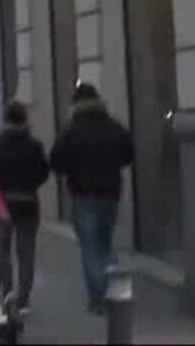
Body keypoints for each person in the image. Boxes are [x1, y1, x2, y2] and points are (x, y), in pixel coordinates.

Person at [48, 83, 135, 314]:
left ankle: (99, 299)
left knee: (90, 247)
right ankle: (116, 292)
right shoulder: (113, 126)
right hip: (110, 193)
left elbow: (56, 160)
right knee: (105, 243)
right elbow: (128, 154)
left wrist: (72, 169)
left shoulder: (71, 130)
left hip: (83, 194)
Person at [0, 101, 50, 312]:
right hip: (28, 202)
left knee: (2, 250)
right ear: (25, 119)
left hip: (2, 202)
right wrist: (29, 185)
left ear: (6, 120)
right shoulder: (34, 145)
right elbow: (43, 173)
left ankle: (7, 293)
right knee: (26, 252)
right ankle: (23, 299)